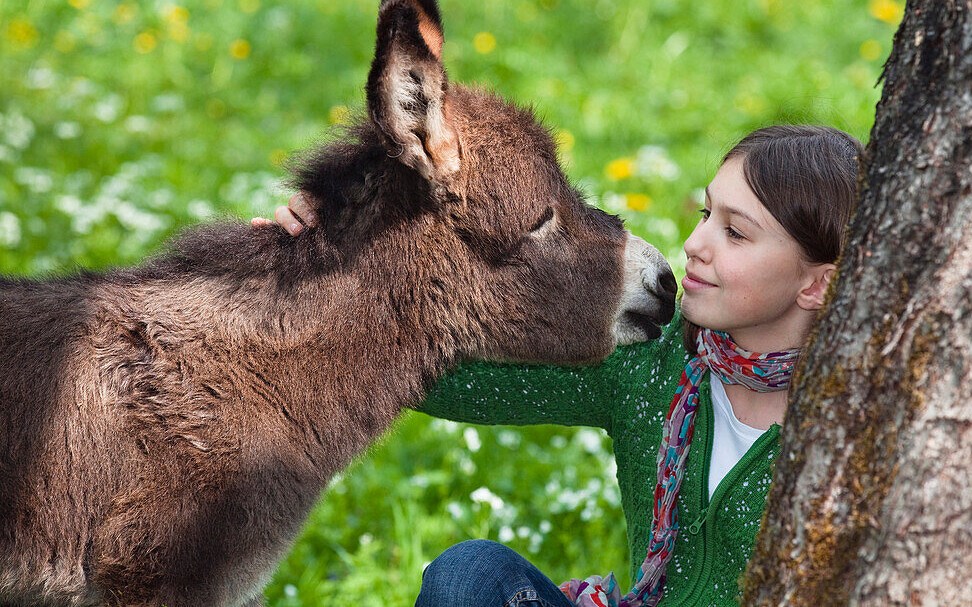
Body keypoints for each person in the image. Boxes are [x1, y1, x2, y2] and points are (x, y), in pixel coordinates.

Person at [256, 124, 863, 606]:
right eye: (707, 214)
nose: (695, 244)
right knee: (470, 576)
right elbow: (453, 377)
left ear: (815, 285)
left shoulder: (859, 424)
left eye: (736, 233)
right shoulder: (654, 360)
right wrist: (329, 284)